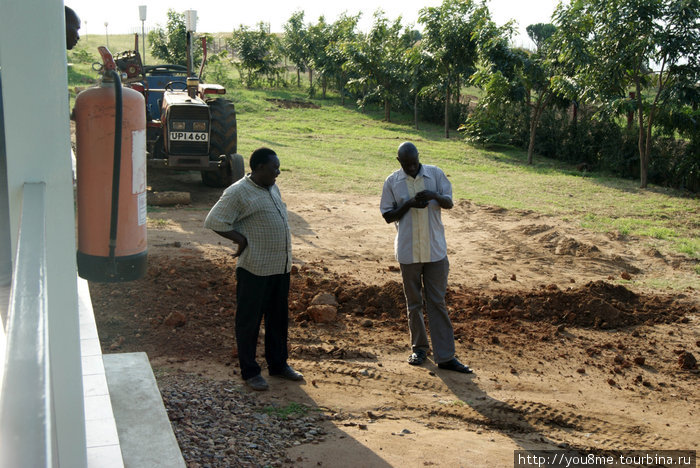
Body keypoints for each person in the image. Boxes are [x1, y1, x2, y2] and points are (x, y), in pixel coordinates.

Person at [204, 147, 303, 391]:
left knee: (278, 320)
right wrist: (241, 239)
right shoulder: (238, 192)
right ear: (259, 168)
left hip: (280, 267)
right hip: (255, 268)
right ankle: (250, 372)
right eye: (274, 168)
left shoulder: (271, 186)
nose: (278, 172)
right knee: (249, 322)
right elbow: (214, 220)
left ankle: (279, 365)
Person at [380, 142, 473, 374]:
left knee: (437, 302)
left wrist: (434, 195)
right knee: (414, 304)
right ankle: (419, 349)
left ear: (419, 157)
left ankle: (446, 356)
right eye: (406, 164)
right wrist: (409, 204)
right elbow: (388, 215)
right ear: (399, 161)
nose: (411, 167)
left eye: (414, 162)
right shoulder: (392, 182)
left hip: (435, 251)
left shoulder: (435, 174)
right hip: (408, 251)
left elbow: (449, 202)